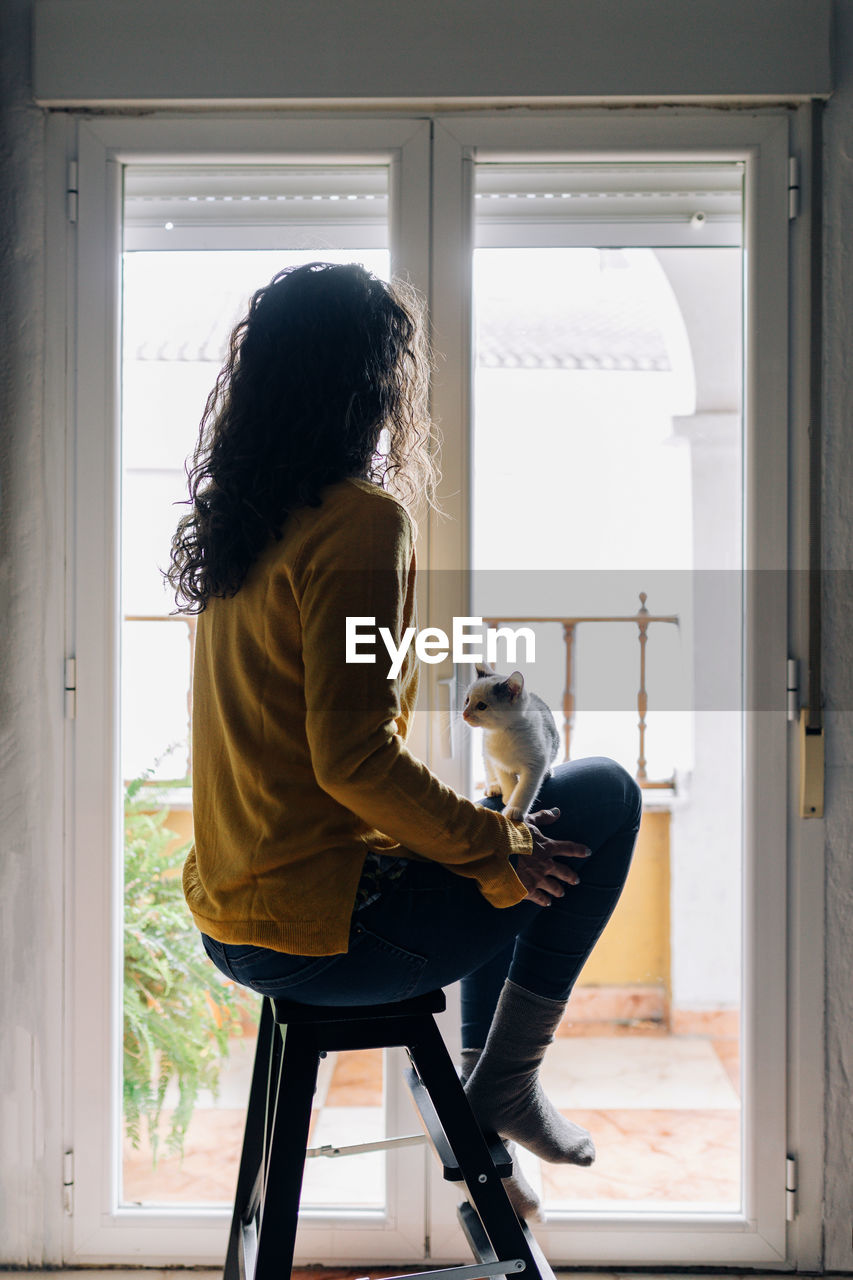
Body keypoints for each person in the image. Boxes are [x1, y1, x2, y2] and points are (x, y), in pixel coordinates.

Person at [167, 261, 641, 1218]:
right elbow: (351, 760)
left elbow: (318, 756)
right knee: (600, 796)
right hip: (321, 933)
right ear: (373, 380)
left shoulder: (246, 524)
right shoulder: (358, 520)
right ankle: (500, 1080)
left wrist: (483, 836)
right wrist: (497, 840)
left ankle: (488, 1083)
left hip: (236, 918)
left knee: (488, 843)